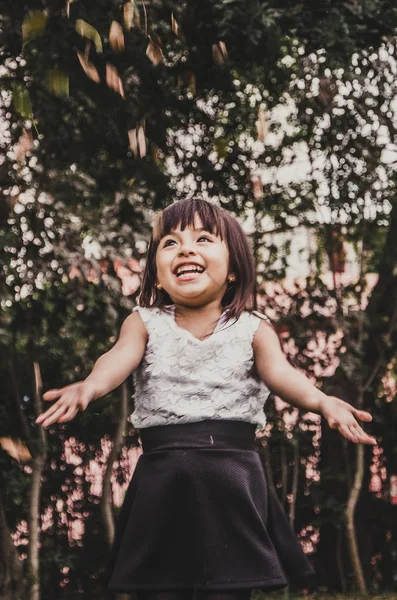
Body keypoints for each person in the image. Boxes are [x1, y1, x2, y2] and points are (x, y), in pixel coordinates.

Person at [36, 198, 376, 600]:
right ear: (158, 277)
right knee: (160, 588)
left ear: (233, 270)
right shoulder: (144, 322)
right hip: (163, 478)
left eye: (203, 239)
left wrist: (323, 402)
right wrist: (88, 387)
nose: (185, 249)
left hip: (232, 479)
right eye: (170, 243)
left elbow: (282, 375)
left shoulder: (253, 328)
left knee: (227, 590)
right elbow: (115, 360)